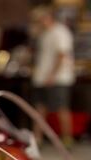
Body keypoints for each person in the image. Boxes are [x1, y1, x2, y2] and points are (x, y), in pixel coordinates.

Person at [31, 6, 75, 145]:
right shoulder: (44, 34)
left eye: (38, 20)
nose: (37, 23)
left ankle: (67, 139)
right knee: (39, 108)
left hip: (59, 78)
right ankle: (37, 139)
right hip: (41, 78)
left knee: (62, 108)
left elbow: (61, 55)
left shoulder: (61, 32)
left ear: (47, 18)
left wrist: (52, 75)